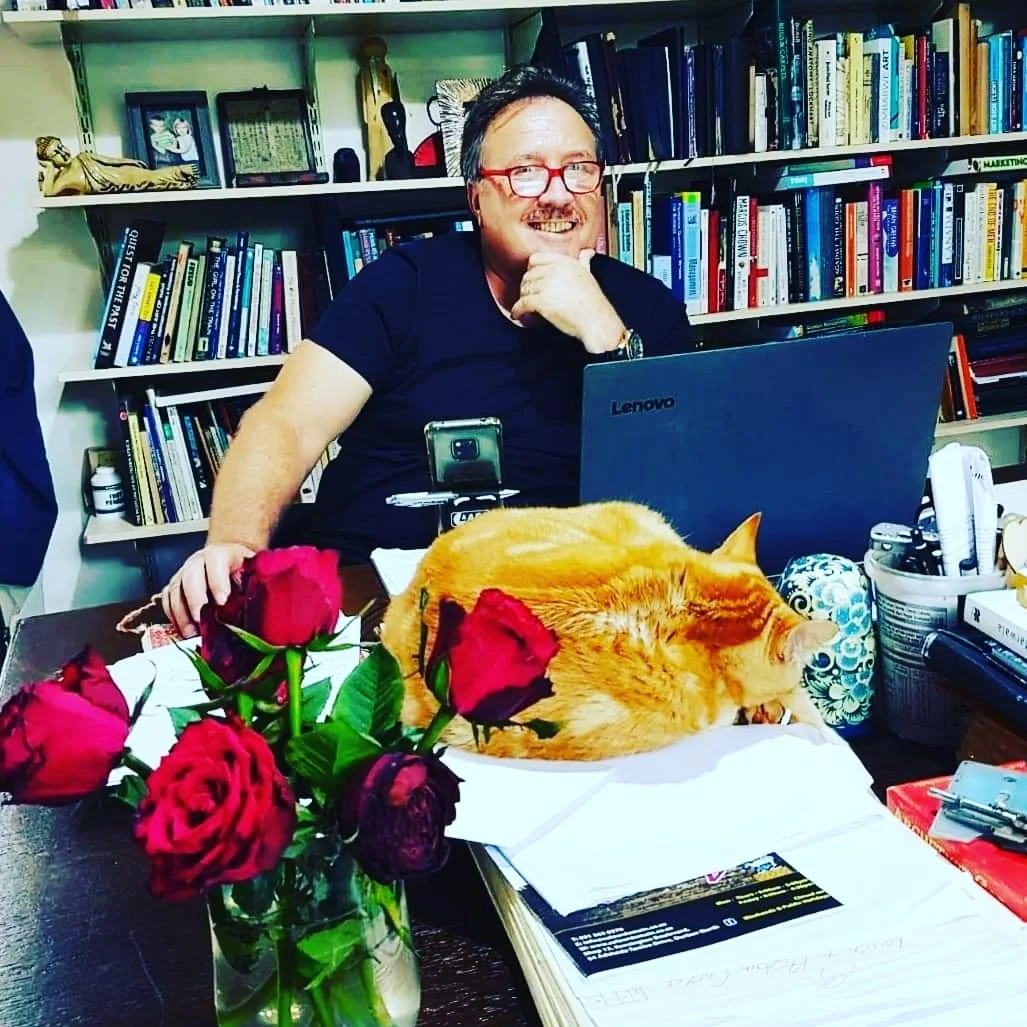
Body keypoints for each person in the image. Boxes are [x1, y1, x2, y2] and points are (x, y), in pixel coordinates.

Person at [161, 64, 692, 636]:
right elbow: (287, 423)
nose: (558, 194)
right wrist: (233, 544)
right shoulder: (403, 283)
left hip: (563, 605)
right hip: (371, 590)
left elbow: (676, 492)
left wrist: (608, 341)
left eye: (578, 169)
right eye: (525, 173)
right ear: (477, 199)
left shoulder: (645, 309)